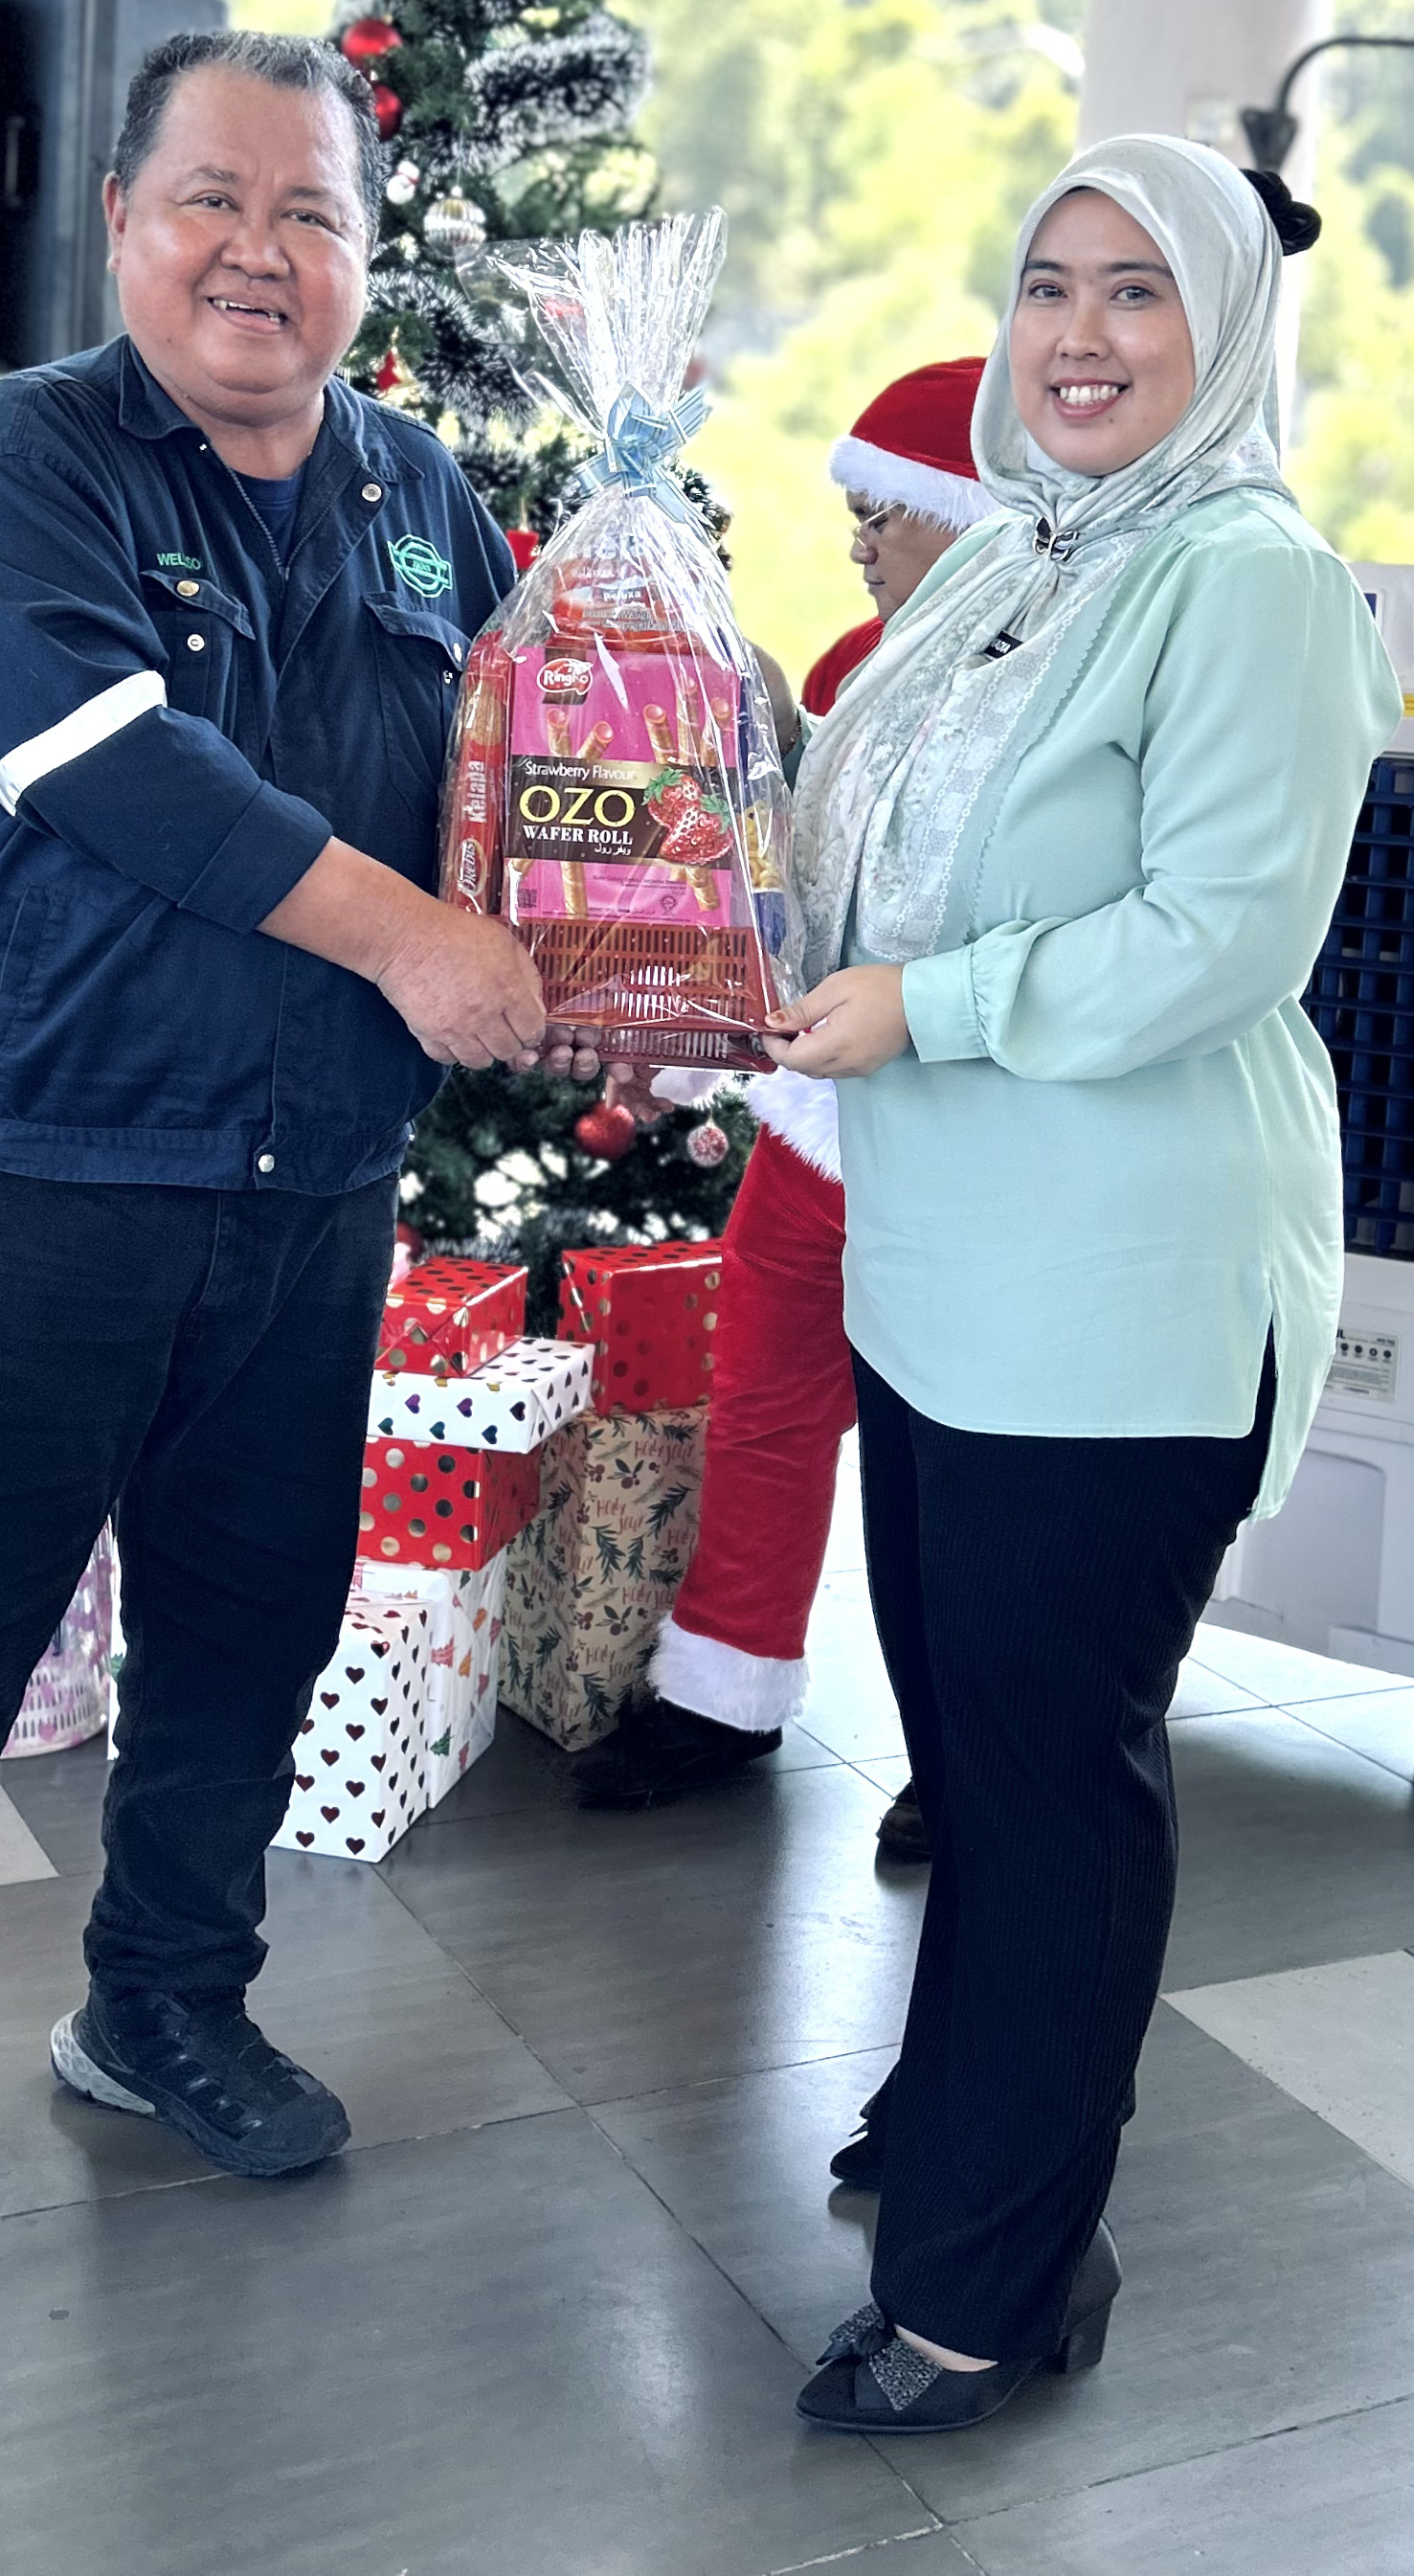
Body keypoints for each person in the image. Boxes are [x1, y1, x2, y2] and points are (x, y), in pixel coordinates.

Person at [0, 29, 554, 2282]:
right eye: (213, 197)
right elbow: (117, 763)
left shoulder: (421, 495)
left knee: (245, 1638)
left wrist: (657, 891)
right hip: (42, 1167)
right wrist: (413, 941)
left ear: (365, 261)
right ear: (119, 221)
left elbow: (534, 762)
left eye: (311, 213)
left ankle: (164, 2005)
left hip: (312, 1187)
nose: (256, 251)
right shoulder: (32, 463)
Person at [765, 137, 1399, 2436]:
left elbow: (1220, 935)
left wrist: (921, 1009)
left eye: (1138, 290)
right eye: (1047, 284)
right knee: (972, 1759)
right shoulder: (1006, 556)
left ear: (1222, 327)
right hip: (943, 1271)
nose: (1079, 333)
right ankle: (974, 2130)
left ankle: (990, 2288)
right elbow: (866, 850)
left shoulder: (1245, 577)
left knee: (1047, 1786)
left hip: (1120, 1292)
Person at [572, 363, 995, 1839]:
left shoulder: (1041, 696)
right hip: (815, 1131)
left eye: (886, 510)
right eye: (855, 510)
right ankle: (723, 1688)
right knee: (760, 1405)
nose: (860, 539)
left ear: (970, 515)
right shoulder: (850, 678)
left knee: (954, 1464)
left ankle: (972, 1749)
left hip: (958, 1136)